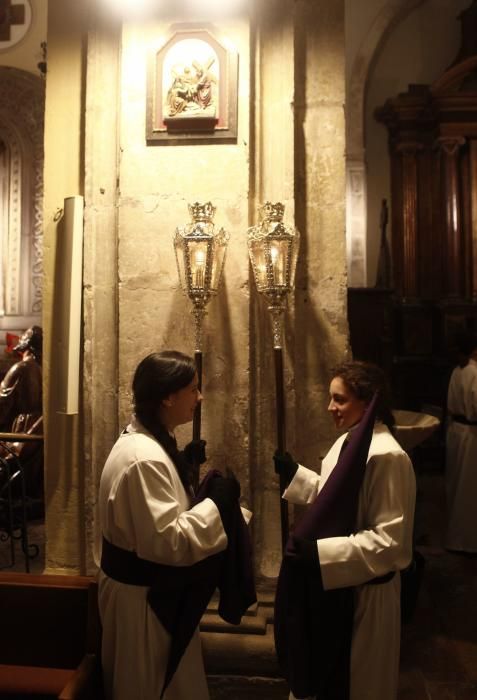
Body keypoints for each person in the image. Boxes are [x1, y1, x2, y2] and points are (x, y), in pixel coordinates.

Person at [98, 351, 248, 700]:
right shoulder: (142, 459)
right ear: (168, 395)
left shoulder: (148, 442)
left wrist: (182, 465)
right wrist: (218, 505)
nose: (199, 398)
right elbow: (168, 541)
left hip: (149, 596)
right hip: (145, 607)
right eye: (193, 389)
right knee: (151, 686)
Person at [274, 360, 416, 700]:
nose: (330, 408)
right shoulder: (350, 440)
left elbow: (389, 542)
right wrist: (297, 476)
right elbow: (340, 500)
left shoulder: (387, 457)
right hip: (339, 586)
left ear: (368, 404)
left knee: (358, 683)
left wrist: (320, 555)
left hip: (365, 596)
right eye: (331, 398)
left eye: (339, 400)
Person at [445, 331, 477, 553]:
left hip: (456, 430)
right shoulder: (474, 372)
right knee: (468, 491)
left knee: (457, 487)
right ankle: (466, 542)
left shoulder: (458, 370)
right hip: (471, 434)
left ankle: (456, 537)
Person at [0, 325, 42, 432]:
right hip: (41, 433)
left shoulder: (20, 369)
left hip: (19, 433)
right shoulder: (46, 371)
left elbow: (2, 406)